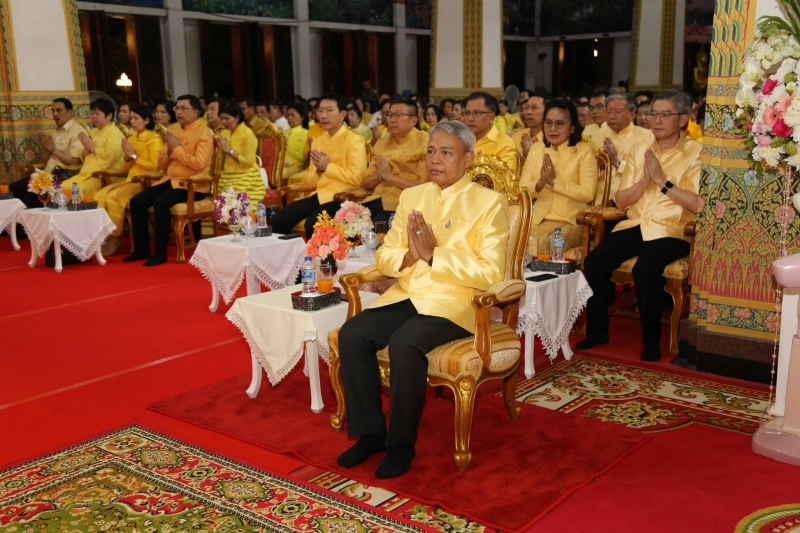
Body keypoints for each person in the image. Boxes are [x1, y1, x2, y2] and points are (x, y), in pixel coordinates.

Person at [336, 120, 509, 479]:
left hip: (455, 302)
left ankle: (401, 445)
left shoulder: (489, 203)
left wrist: (434, 255)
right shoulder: (413, 196)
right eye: (431, 151)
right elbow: (385, 256)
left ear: (468, 158)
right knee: (352, 334)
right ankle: (371, 433)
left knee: (405, 342)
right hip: (409, 292)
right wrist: (411, 257)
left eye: (446, 152)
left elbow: (492, 272)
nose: (435, 159)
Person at [577, 90, 702, 362]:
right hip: (635, 223)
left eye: (664, 115)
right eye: (653, 114)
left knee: (645, 269)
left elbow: (696, 204)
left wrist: (662, 182)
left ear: (682, 120)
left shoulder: (695, 152)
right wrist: (645, 180)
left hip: (672, 229)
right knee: (595, 260)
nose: (656, 120)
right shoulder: (639, 151)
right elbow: (621, 201)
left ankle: (651, 342)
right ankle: (597, 331)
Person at [124, 95, 214, 267]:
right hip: (171, 179)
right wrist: (169, 149)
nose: (179, 112)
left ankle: (160, 253)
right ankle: (142, 249)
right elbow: (162, 163)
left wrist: (177, 149)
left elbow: (199, 164)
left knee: (160, 203)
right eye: (177, 108)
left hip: (192, 185)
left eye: (183, 108)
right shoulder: (173, 130)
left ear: (196, 112)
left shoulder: (204, 134)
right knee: (136, 202)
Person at [270, 93, 367, 238]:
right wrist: (320, 171)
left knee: (313, 224)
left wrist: (328, 167)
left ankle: (320, 260)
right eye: (320, 111)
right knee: (278, 220)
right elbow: (311, 182)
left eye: (329, 110)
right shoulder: (317, 141)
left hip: (343, 197)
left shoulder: (355, 140)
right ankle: (291, 259)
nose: (323, 115)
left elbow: (358, 179)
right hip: (319, 194)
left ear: (342, 114)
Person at [519, 99, 597, 257]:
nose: (553, 129)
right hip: (536, 219)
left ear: (573, 126)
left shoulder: (584, 151)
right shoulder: (536, 149)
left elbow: (588, 193)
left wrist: (554, 182)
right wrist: (540, 182)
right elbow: (521, 192)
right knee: (509, 239)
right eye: (548, 123)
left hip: (571, 221)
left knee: (541, 245)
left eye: (560, 123)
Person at [95, 105, 164, 256]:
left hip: (145, 182)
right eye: (131, 118)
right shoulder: (132, 137)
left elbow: (154, 167)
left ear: (146, 120)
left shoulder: (154, 139)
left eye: (136, 118)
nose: (132, 121)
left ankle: (115, 237)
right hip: (130, 179)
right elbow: (126, 167)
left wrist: (133, 156)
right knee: (100, 195)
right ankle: (104, 236)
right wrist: (128, 157)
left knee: (114, 197)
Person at [360, 97, 429, 223]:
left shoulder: (425, 142)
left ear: (414, 120)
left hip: (402, 203)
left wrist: (390, 177)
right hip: (376, 199)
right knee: (344, 227)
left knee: (375, 228)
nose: (392, 120)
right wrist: (379, 176)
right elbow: (366, 184)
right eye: (389, 115)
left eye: (398, 115)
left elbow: (424, 185)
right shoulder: (381, 143)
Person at [9, 98, 84, 207]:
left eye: (59, 111)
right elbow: (45, 162)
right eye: (53, 111)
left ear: (69, 112)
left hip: (63, 176)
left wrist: (52, 148)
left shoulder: (77, 131)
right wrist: (46, 148)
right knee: (13, 189)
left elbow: (75, 161)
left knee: (30, 193)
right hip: (47, 175)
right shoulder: (55, 132)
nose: (55, 114)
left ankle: (41, 221)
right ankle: (23, 223)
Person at [591, 93, 653, 205]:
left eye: (617, 112)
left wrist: (617, 162)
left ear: (632, 114)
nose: (612, 116)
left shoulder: (647, 137)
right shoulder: (596, 137)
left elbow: (645, 174)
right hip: (598, 201)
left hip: (630, 203)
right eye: (609, 112)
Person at [61, 98, 126, 199]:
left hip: (103, 176)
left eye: (97, 113)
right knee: (61, 188)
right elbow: (82, 155)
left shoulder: (115, 133)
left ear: (109, 115)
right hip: (86, 174)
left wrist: (93, 148)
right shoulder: (93, 132)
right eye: (92, 113)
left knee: (75, 191)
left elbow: (110, 157)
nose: (94, 117)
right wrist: (87, 148)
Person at [217, 101, 264, 202]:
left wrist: (229, 151)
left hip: (246, 177)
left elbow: (248, 162)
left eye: (227, 118)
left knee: (236, 205)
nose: (224, 122)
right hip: (227, 177)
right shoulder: (224, 132)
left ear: (237, 118)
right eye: (222, 119)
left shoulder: (247, 134)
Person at [463, 91, 517, 172]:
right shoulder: (458, 140)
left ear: (491, 117)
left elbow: (506, 180)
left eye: (477, 113)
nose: (470, 118)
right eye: (467, 113)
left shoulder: (505, 144)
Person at [512, 92, 546, 160]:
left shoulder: (551, 139)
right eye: (527, 108)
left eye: (535, 108)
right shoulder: (516, 137)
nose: (528, 112)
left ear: (547, 112)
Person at [283, 101, 310, 182]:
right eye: (288, 115)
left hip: (295, 166)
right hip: (279, 164)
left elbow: (302, 158)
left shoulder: (305, 133)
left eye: (293, 115)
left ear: (302, 117)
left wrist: (285, 146)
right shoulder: (283, 132)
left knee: (274, 173)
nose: (289, 118)